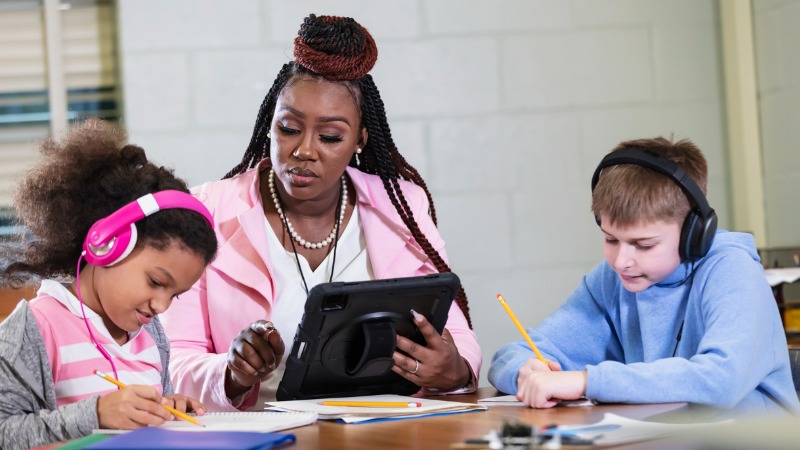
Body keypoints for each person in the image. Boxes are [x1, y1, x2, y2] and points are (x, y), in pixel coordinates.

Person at [160, 14, 481, 411]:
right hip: (262, 433)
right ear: (269, 126)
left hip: (386, 428)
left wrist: (456, 371)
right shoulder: (206, 211)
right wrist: (232, 372)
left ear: (359, 141)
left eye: (330, 136)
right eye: (289, 128)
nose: (304, 150)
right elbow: (171, 359)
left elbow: (454, 335)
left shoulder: (404, 207)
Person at [488, 137, 800, 415]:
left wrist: (588, 381)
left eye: (643, 244)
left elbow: (721, 379)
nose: (622, 261)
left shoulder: (732, 269)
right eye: (611, 240)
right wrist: (523, 372)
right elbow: (516, 354)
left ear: (694, 233)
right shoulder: (611, 281)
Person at [0, 119, 218, 449]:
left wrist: (168, 407)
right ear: (108, 243)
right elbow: (5, 431)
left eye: (175, 295)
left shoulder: (152, 334)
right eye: (156, 281)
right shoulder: (37, 327)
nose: (160, 305)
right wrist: (96, 414)